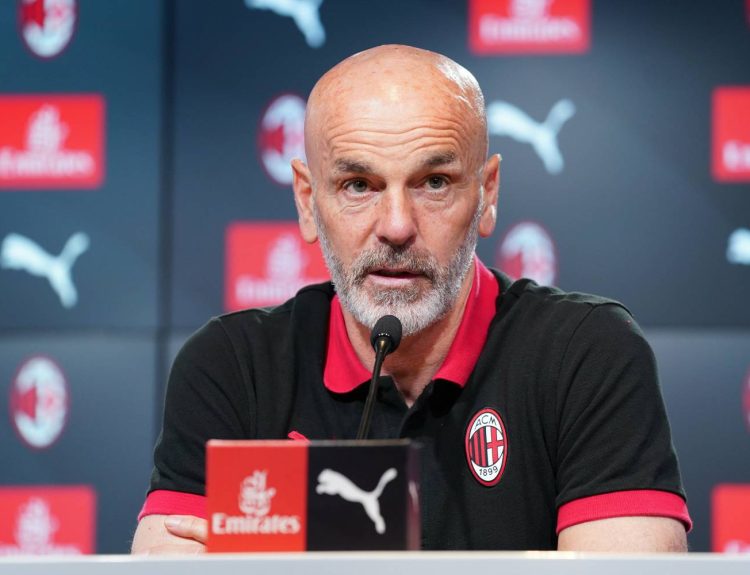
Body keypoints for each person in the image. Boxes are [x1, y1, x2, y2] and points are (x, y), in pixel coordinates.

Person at [131, 44, 690, 554]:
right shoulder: (232, 368)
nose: (397, 226)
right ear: (307, 201)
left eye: (434, 182)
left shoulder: (587, 353)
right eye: (358, 186)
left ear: (487, 194)